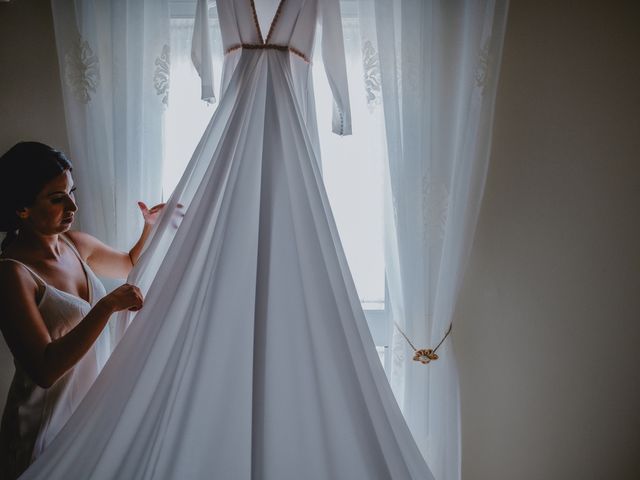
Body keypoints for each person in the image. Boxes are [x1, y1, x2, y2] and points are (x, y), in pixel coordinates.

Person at [0, 141, 163, 479]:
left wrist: (149, 226)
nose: (73, 205)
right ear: (22, 208)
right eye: (57, 198)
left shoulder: (76, 244)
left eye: (72, 191)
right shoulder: (11, 273)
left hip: (86, 425)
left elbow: (129, 263)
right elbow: (44, 370)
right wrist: (105, 307)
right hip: (42, 433)